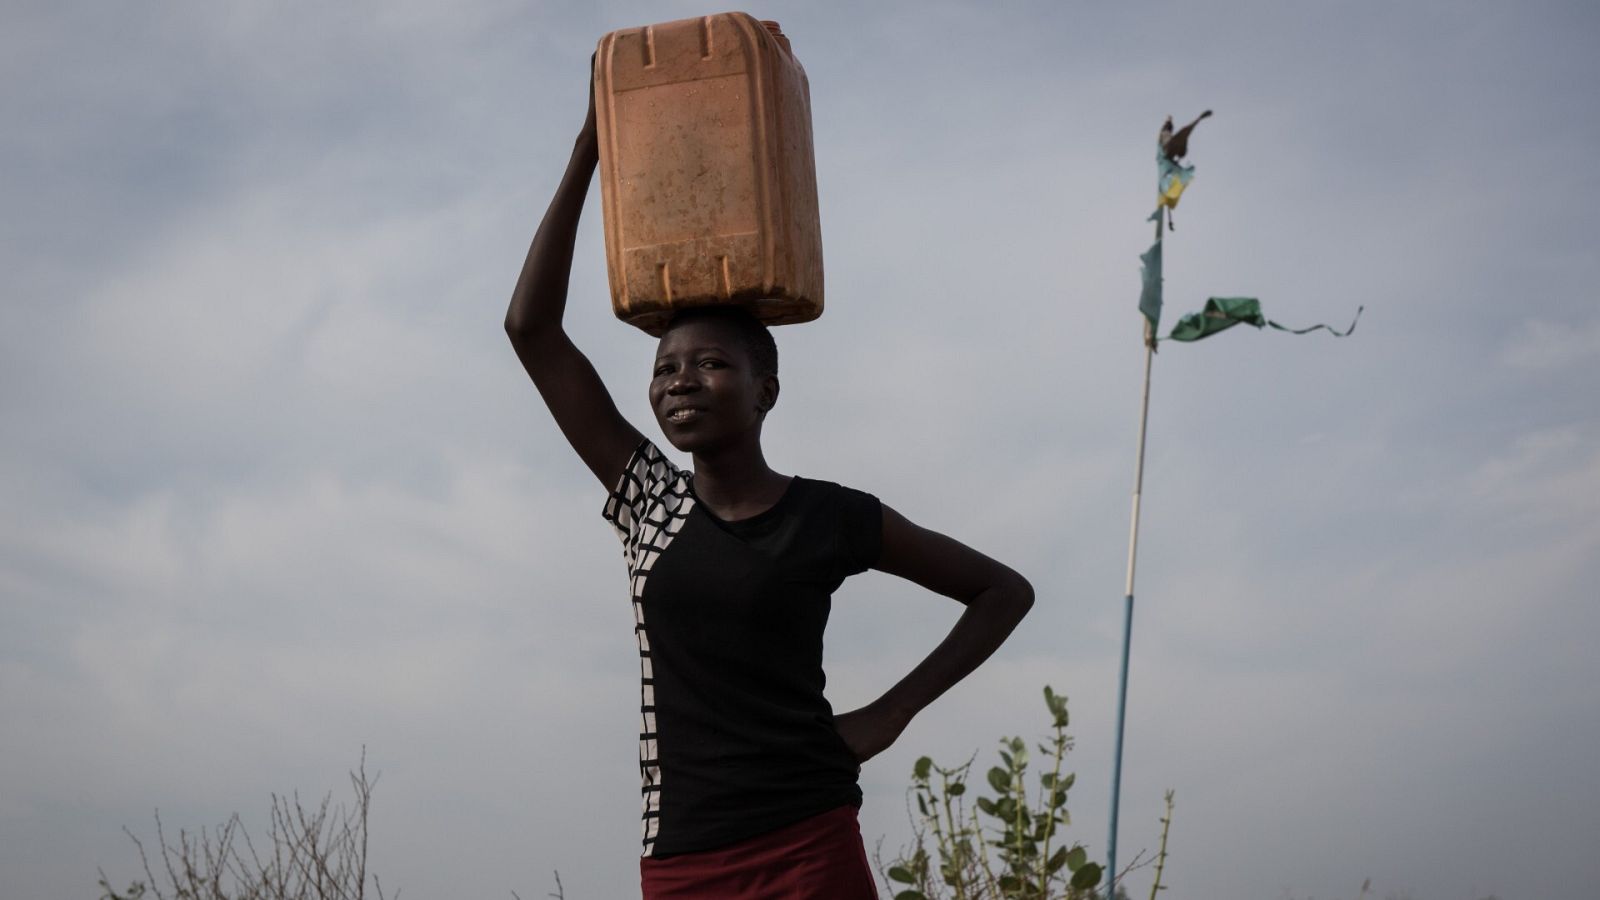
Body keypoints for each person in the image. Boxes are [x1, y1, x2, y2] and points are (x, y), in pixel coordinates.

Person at [504, 67, 1035, 900]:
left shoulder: (830, 516)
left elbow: (1003, 590)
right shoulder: (651, 504)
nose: (680, 382)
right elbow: (530, 330)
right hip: (685, 854)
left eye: (712, 364)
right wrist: (586, 154)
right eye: (666, 368)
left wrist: (889, 713)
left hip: (809, 839)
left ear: (766, 391)